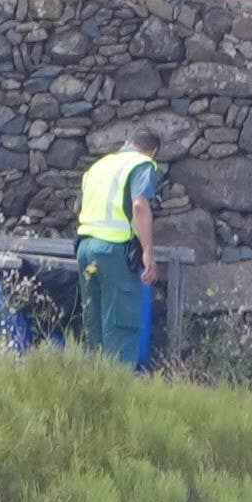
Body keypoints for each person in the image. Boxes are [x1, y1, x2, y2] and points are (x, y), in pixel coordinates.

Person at [75, 126, 163, 366]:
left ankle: (94, 390)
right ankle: (119, 392)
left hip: (85, 248)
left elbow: (77, 208)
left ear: (128, 141)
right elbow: (139, 206)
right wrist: (147, 251)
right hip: (113, 252)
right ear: (152, 151)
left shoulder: (98, 166)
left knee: (94, 324)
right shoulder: (142, 165)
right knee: (120, 326)